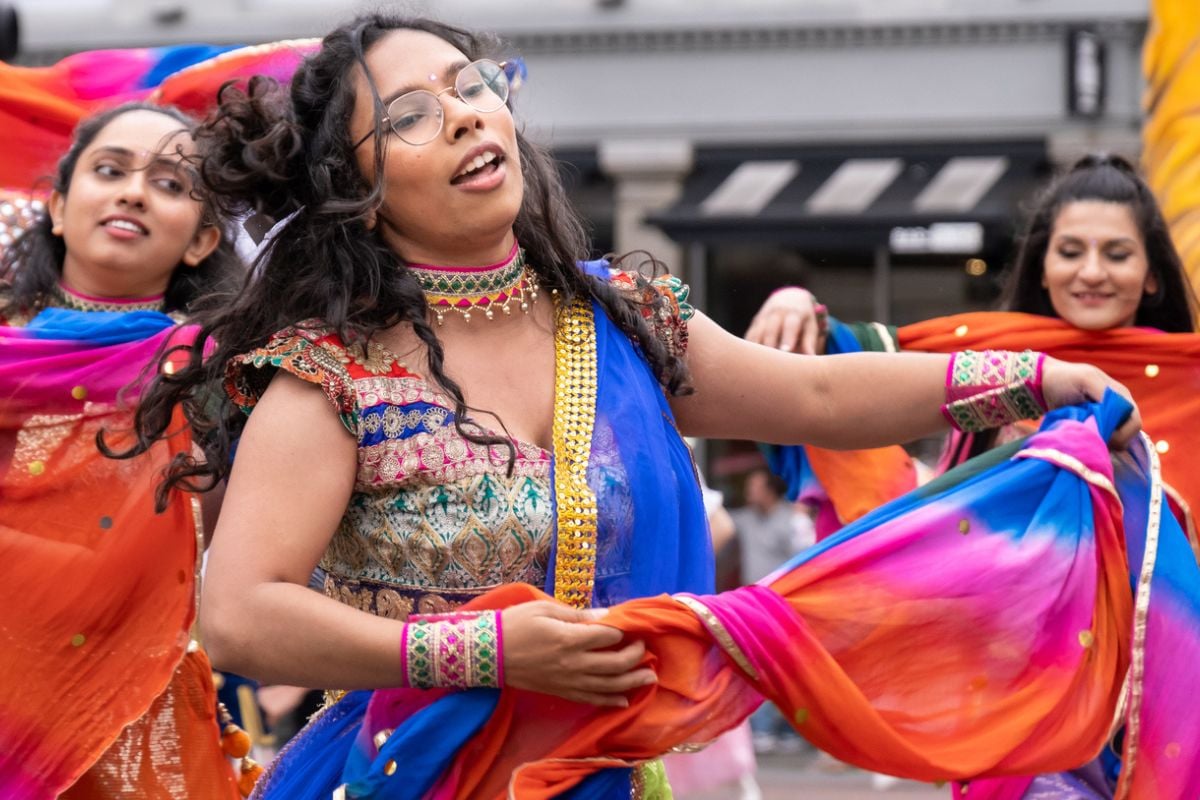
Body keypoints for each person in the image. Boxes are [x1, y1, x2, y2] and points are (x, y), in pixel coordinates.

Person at [117, 15, 1136, 797]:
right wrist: (482, 649)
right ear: (359, 187)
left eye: (471, 87)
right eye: (412, 115)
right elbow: (242, 613)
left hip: (609, 771)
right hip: (408, 771)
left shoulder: (612, 315)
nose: (468, 113)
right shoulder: (330, 374)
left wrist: (1031, 377)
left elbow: (817, 392)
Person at [747, 154, 1200, 799]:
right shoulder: (987, 358)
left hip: (1160, 712)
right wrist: (800, 307)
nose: (1092, 272)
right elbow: (853, 372)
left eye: (1117, 254)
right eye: (1071, 250)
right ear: (1042, 264)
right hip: (1014, 702)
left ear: (1151, 274)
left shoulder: (1191, 383)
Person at [0, 103, 250, 799]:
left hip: (130, 709)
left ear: (201, 241)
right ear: (57, 206)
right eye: (109, 171)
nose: (134, 192)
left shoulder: (219, 375)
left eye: (170, 184)